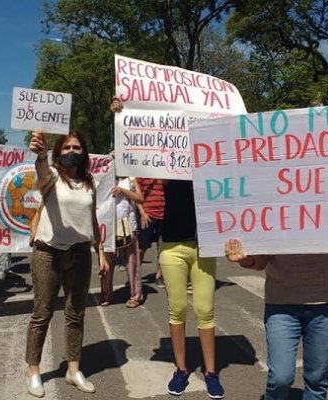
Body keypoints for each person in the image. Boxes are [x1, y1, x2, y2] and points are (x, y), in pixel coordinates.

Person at [110, 97, 224, 399]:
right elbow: (132, 148)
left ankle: (211, 373)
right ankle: (181, 370)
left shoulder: (206, 163)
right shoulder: (160, 166)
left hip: (203, 247)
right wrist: (121, 117)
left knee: (204, 310)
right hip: (171, 247)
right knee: (177, 310)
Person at [224, 236, 328, 399]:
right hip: (281, 305)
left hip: (327, 304)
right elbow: (261, 260)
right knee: (280, 377)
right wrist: (244, 259)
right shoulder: (273, 215)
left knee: (317, 380)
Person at [25, 130, 109, 398]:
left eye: (77, 147)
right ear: (58, 152)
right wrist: (40, 155)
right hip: (47, 253)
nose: (72, 151)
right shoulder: (50, 176)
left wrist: (101, 250)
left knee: (76, 313)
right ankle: (34, 370)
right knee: (42, 313)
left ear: (84, 152)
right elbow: (41, 171)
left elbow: (92, 218)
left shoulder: (89, 181)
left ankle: (73, 370)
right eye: (67, 147)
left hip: (80, 254)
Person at [101, 176, 143, 307]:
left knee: (131, 262)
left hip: (128, 225)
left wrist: (123, 191)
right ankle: (106, 294)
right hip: (108, 224)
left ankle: (135, 295)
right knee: (107, 261)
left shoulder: (131, 180)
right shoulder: (105, 177)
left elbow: (140, 198)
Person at [136, 178, 165, 287]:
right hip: (147, 215)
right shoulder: (142, 172)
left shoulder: (164, 171)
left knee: (162, 247)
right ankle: (136, 276)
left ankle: (159, 275)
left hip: (163, 214)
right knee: (141, 248)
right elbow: (137, 194)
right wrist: (142, 213)